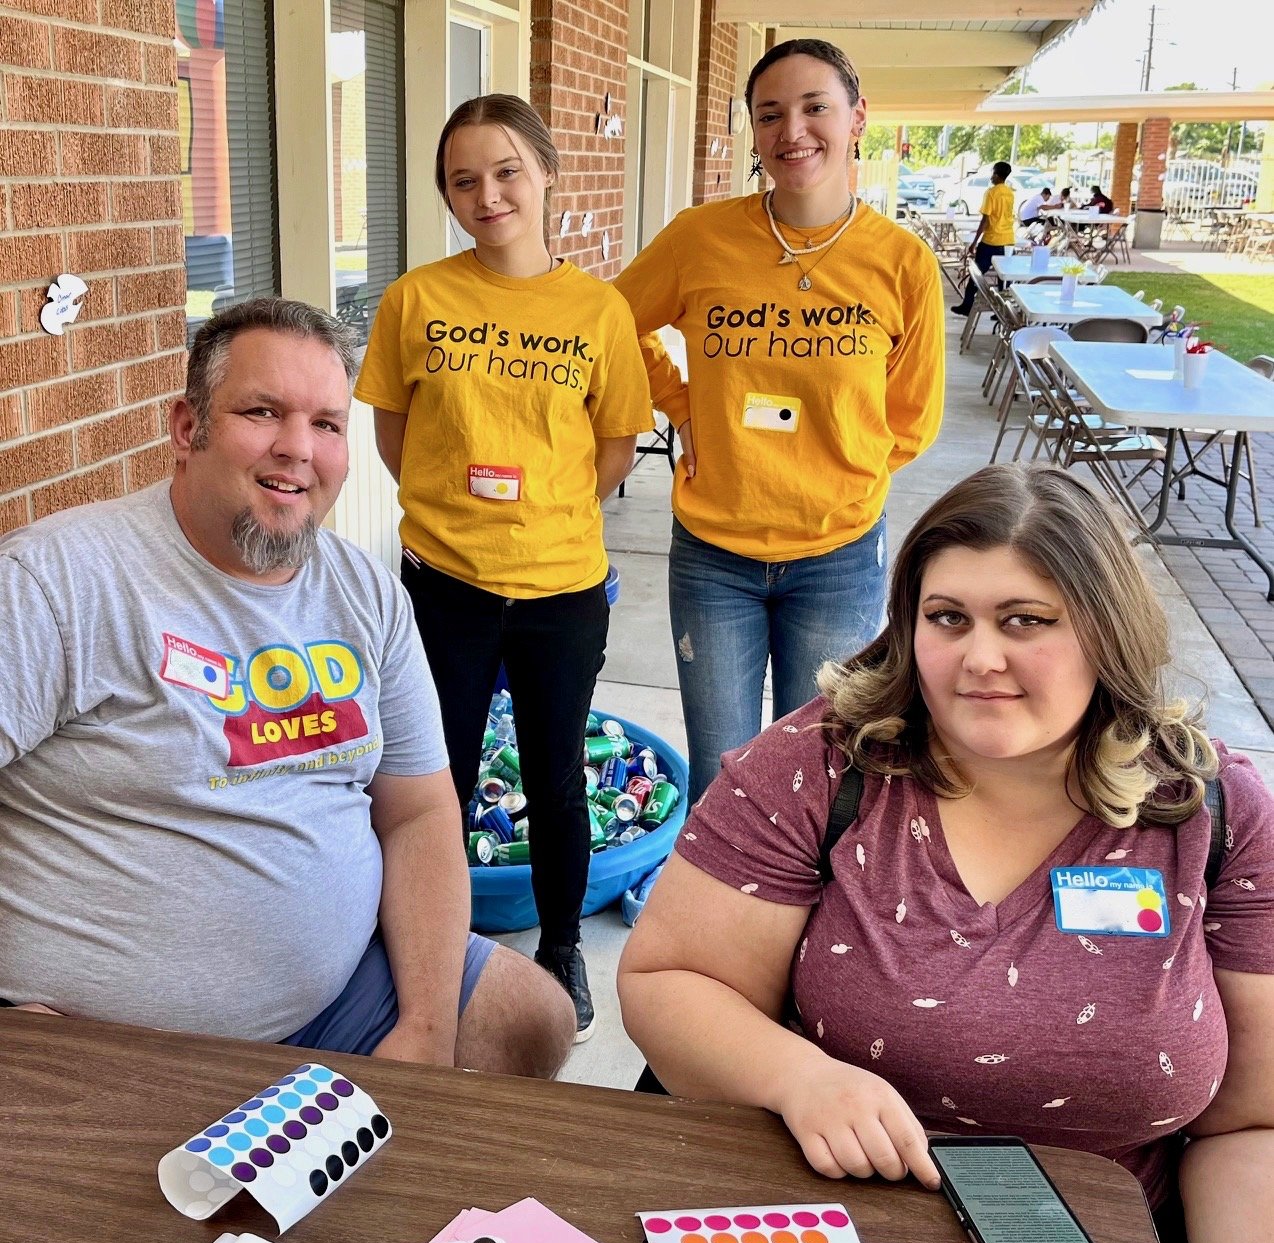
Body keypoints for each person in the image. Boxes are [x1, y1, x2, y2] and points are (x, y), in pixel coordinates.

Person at [618, 464, 1274, 1243]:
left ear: (1109, 631)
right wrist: (799, 1078)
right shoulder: (821, 766)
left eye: (1025, 621)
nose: (980, 659)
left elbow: (1251, 1124)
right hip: (825, 1238)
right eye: (948, 618)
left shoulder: (1216, 812)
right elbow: (668, 981)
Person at [0, 297, 576, 1076]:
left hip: (341, 1003)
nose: (297, 449)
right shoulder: (59, 582)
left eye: (328, 425)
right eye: (262, 412)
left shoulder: (366, 595)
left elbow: (419, 812)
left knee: (533, 1019)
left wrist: (428, 1030)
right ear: (187, 428)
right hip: (108, 1041)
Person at [355, 94, 651, 1043]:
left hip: (562, 585)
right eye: (463, 180)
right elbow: (395, 432)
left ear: (548, 173)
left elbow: (614, 449)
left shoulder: (598, 311)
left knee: (557, 775)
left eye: (506, 171)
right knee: (424, 775)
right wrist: (455, 512)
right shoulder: (418, 300)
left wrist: (543, 514)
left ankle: (560, 944)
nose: (487, 195)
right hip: (445, 582)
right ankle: (412, 943)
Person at [615, 38, 944, 805]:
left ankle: (806, 920)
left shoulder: (901, 263)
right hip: (714, 555)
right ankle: (721, 923)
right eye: (770, 114)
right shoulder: (702, 237)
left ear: (857, 118)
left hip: (838, 556)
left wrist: (829, 466)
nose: (792, 130)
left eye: (815, 107)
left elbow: (913, 418)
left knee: (824, 767)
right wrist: (681, 404)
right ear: (754, 132)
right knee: (721, 773)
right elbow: (610, 326)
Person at [951, 160, 1015, 316]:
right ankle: (1004, 312)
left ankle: (967, 305)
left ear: (997, 175)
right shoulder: (1010, 192)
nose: (991, 176)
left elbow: (985, 220)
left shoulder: (991, 193)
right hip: (1008, 239)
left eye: (993, 173)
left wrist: (974, 242)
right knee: (1004, 279)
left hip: (992, 240)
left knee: (976, 274)